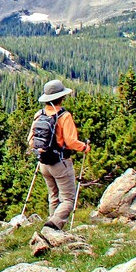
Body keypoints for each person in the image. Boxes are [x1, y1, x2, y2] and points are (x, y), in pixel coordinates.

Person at [32, 79, 90, 230]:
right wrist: (84, 147)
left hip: (44, 162)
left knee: (53, 196)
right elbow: (70, 141)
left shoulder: (39, 114)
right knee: (68, 200)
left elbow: (30, 140)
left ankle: (51, 226)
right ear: (61, 97)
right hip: (61, 162)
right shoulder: (64, 116)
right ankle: (54, 225)